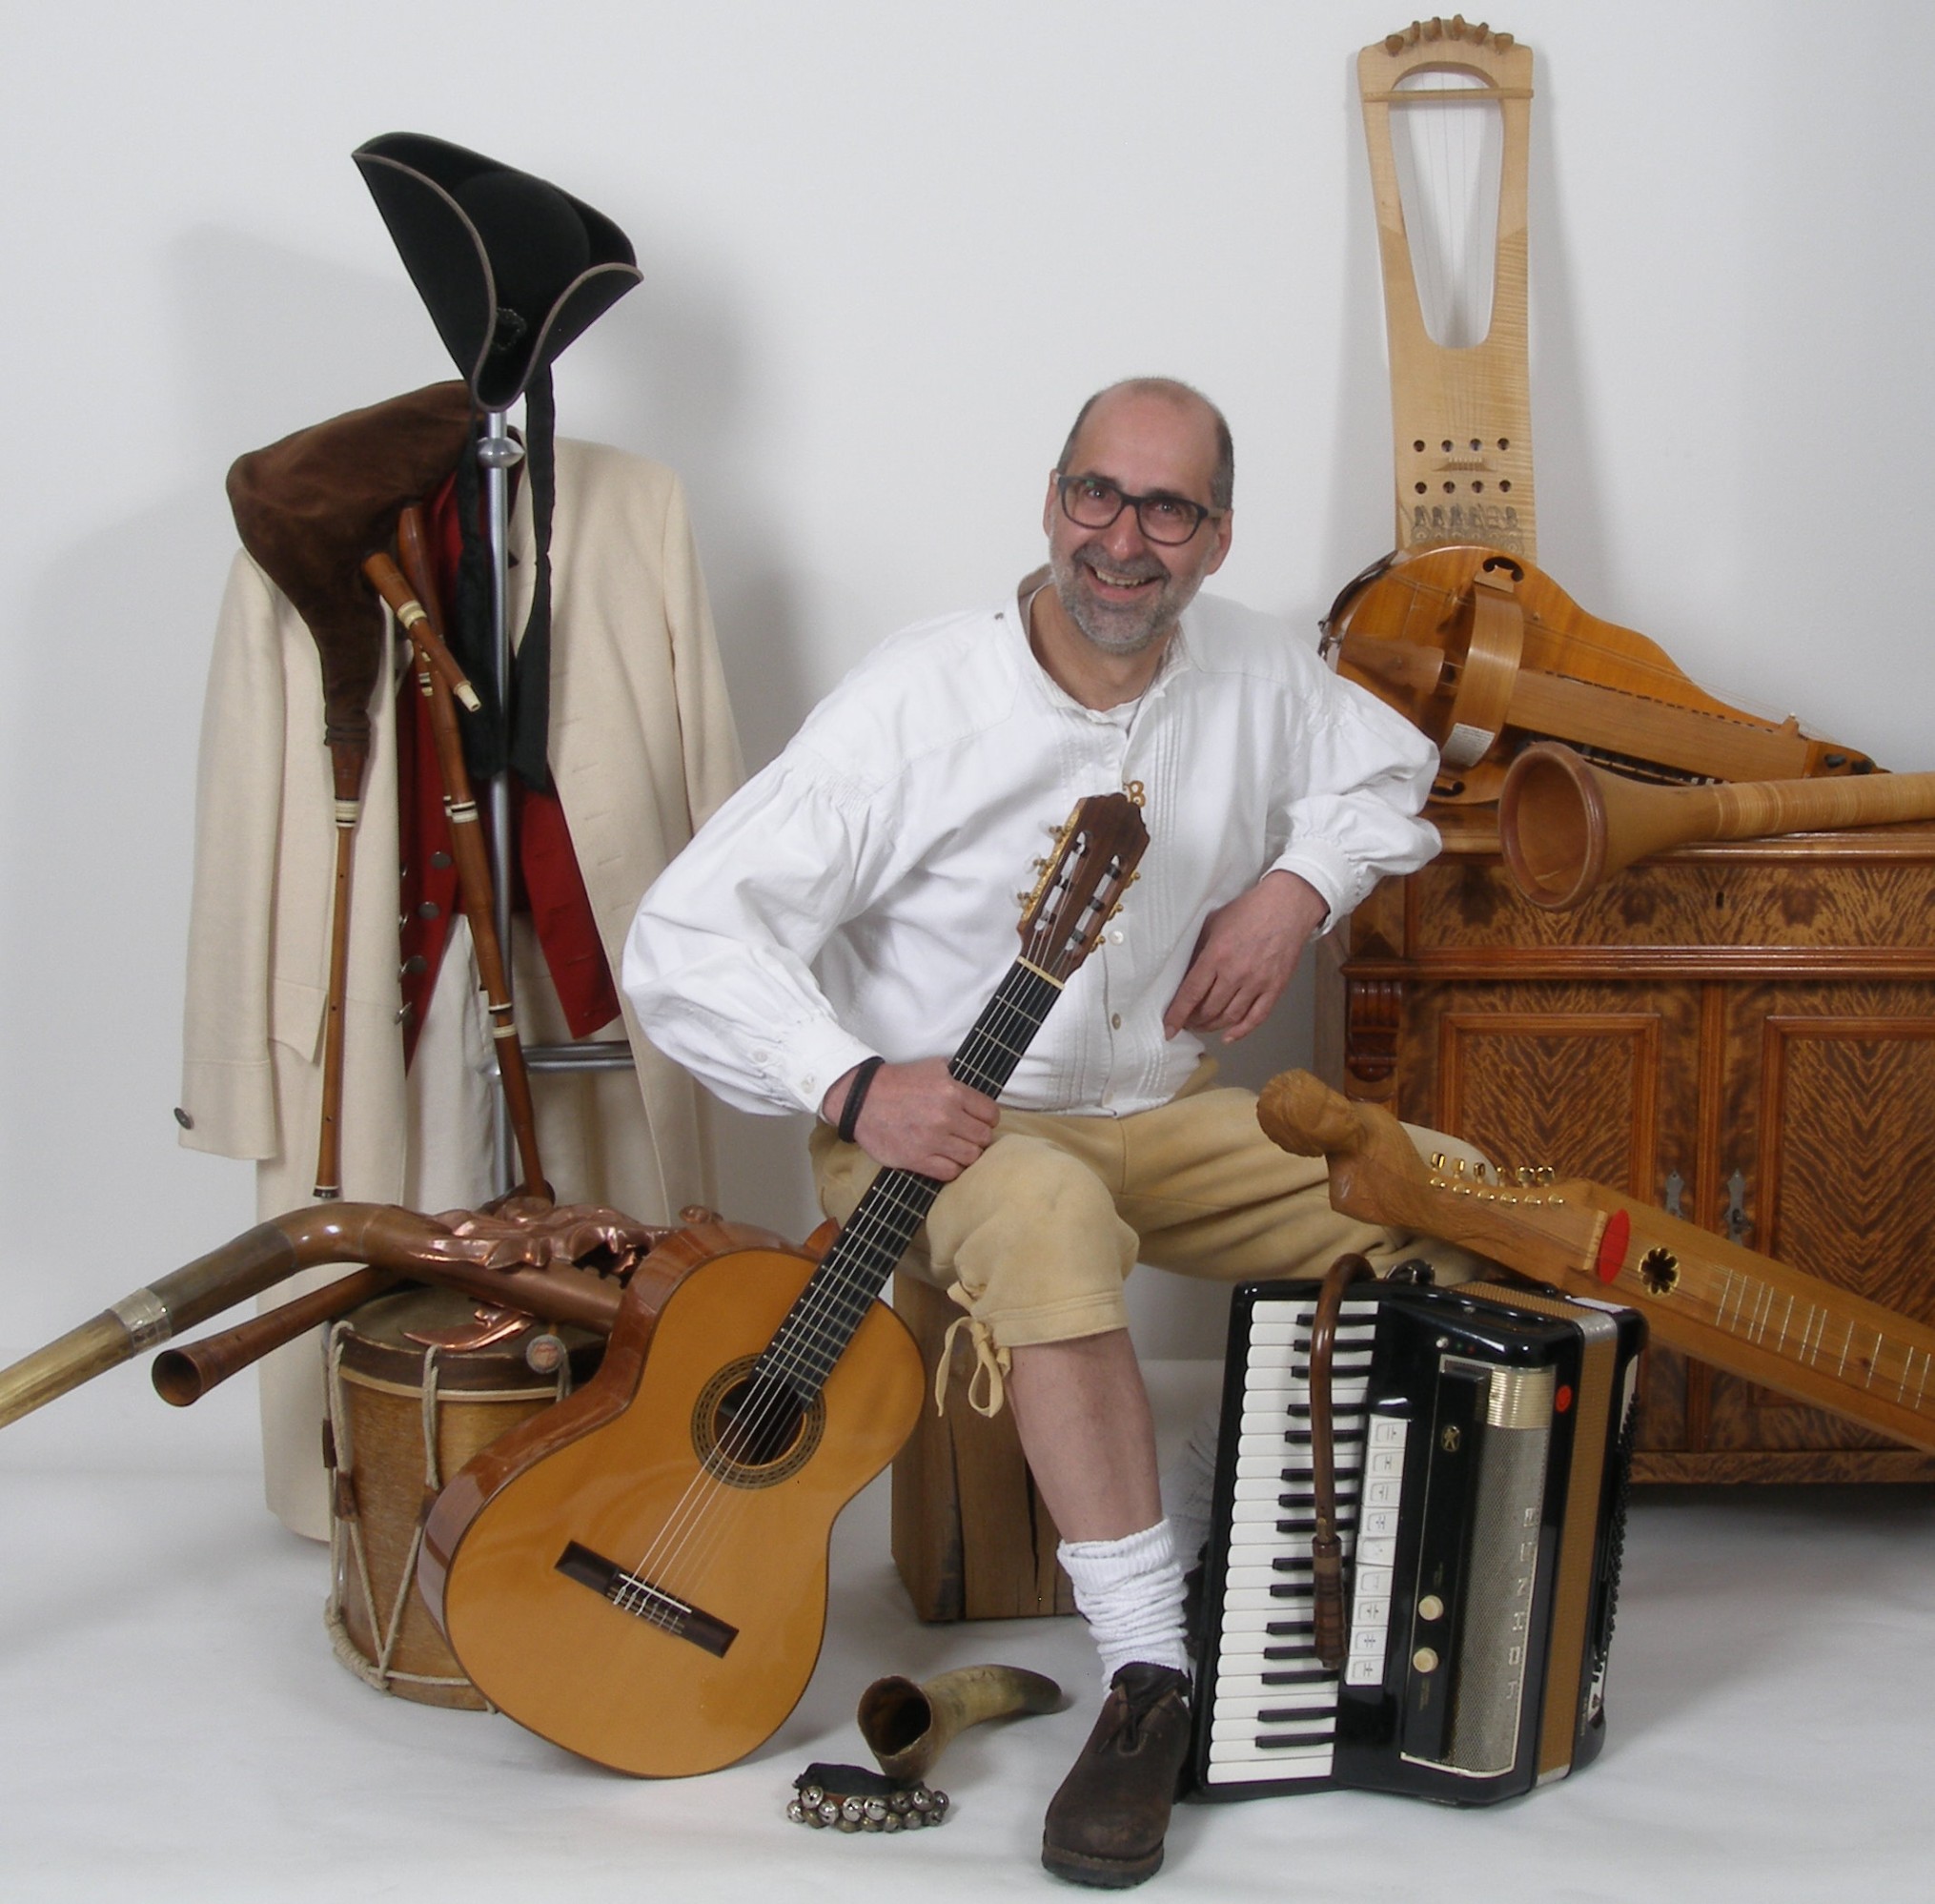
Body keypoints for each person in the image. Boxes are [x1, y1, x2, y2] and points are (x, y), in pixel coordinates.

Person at [623, 377, 1482, 1888]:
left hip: (1159, 1112)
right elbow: (683, 936)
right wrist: (849, 1080)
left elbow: (1392, 770)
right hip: (931, 1131)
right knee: (1044, 1216)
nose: (1122, 540)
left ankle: (1271, 1560)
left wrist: (1293, 891)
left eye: (1168, 509)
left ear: (1217, 537)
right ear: (1049, 499)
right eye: (1097, 493)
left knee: (1452, 1193)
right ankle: (1151, 1672)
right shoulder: (915, 701)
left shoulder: (1256, 669)